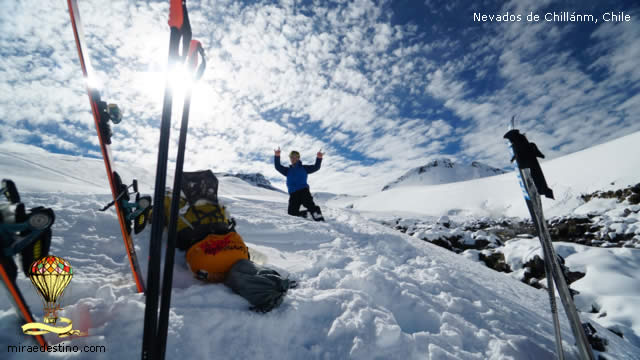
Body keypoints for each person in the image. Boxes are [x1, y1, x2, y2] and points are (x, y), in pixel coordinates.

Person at [274, 147, 324, 221]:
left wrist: (319, 158)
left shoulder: (304, 168)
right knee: (291, 213)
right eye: (291, 157)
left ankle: (319, 218)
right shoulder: (287, 170)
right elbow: (278, 167)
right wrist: (277, 156)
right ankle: (306, 214)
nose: (293, 158)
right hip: (293, 194)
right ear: (290, 159)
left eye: (295, 157)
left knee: (310, 205)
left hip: (303, 191)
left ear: (298, 158)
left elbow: (316, 167)